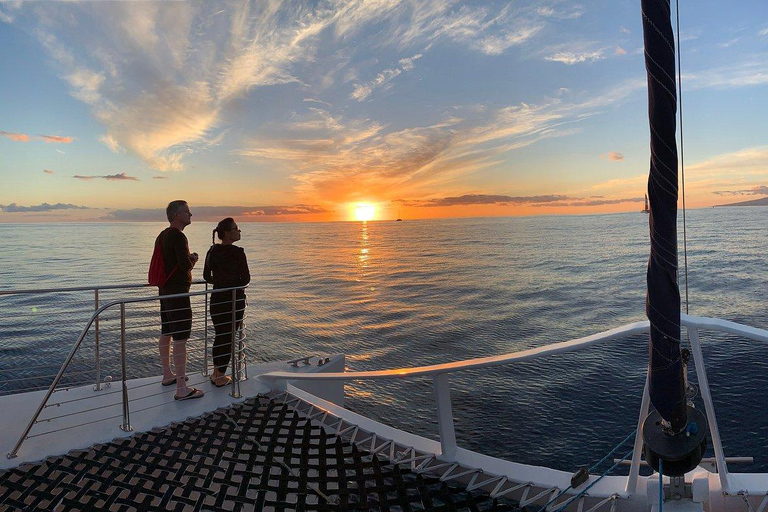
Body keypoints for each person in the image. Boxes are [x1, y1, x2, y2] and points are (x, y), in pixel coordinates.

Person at [156, 200, 203, 400]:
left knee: (167, 331)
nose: (190, 214)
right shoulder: (178, 236)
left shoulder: (162, 235)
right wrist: (193, 259)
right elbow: (184, 266)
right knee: (181, 338)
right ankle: (182, 387)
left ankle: (168, 374)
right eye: (186, 212)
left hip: (165, 290)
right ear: (177, 215)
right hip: (178, 293)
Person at [203, 218, 250, 387]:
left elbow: (206, 277)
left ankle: (216, 372)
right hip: (233, 300)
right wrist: (232, 283)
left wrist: (221, 281)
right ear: (228, 233)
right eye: (236, 228)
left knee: (219, 335)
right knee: (228, 337)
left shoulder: (212, 251)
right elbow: (245, 279)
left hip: (217, 299)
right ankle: (220, 376)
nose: (239, 231)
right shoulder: (238, 252)